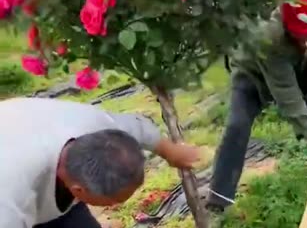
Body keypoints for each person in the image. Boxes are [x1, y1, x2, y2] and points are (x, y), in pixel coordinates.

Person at [206, 0, 307, 226]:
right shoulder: (270, 36)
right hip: (252, 75)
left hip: (303, 70)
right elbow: (288, 94)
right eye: (297, 33)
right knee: (237, 125)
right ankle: (218, 199)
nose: (303, 38)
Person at [0, 97, 200, 228]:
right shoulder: (9, 200)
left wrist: (171, 151)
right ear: (79, 190)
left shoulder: (95, 125)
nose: (117, 205)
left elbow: (137, 128)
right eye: (114, 201)